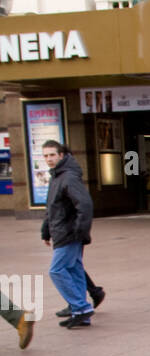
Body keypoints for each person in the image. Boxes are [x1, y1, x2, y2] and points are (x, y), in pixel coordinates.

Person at [40, 141, 100, 329]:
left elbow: (85, 205)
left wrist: (79, 231)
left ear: (61, 155)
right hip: (62, 232)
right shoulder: (57, 177)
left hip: (68, 234)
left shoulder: (68, 177)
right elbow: (51, 208)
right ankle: (81, 313)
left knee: (56, 271)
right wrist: (46, 230)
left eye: (52, 155)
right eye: (46, 156)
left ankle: (81, 308)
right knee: (74, 270)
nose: (49, 159)